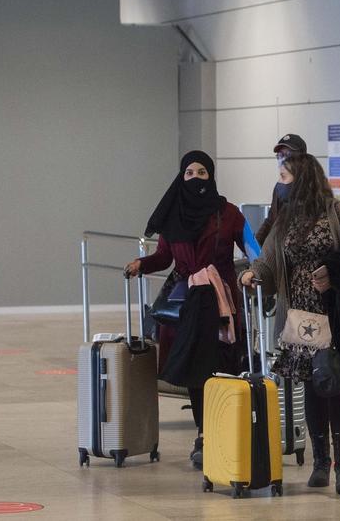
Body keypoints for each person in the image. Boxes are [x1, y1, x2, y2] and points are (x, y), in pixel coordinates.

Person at [239, 151, 340, 496]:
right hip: (300, 318)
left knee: (339, 388)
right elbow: (269, 260)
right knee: (313, 388)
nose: (280, 184)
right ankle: (320, 462)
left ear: (302, 179)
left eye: (285, 177)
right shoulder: (285, 219)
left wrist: (335, 273)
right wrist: (252, 274)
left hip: (337, 314)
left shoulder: (339, 212)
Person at [125, 151, 248, 468]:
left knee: (221, 368)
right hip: (185, 304)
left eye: (202, 172)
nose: (195, 178)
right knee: (197, 370)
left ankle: (222, 432)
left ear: (212, 177)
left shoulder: (229, 213)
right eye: (189, 173)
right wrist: (142, 263)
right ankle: (204, 435)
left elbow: (253, 249)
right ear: (181, 177)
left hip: (221, 303)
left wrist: (260, 270)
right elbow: (164, 258)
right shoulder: (173, 215)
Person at [255, 133, 307, 247]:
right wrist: (255, 246)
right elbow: (271, 220)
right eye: (279, 156)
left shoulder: (312, 188)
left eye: (287, 155)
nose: (282, 161)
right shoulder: (280, 187)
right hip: (278, 254)